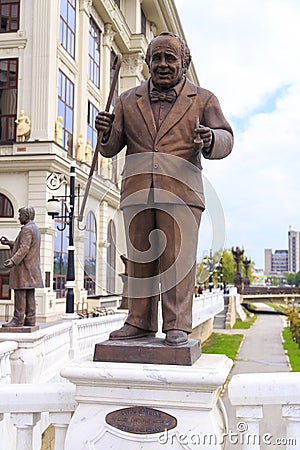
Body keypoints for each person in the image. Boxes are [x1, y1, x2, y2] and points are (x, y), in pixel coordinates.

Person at [95, 32, 233, 346]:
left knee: (177, 260)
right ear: (147, 63)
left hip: (182, 192)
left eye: (170, 58)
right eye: (156, 58)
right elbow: (111, 147)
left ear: (185, 63)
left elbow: (226, 136)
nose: (163, 64)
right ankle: (139, 321)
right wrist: (105, 133)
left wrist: (211, 138)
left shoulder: (203, 99)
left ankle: (177, 325)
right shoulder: (128, 99)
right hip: (138, 189)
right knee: (140, 260)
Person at [1, 207, 43, 327]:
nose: (19, 217)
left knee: (19, 293)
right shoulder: (35, 228)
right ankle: (30, 319)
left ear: (27, 216)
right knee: (30, 294)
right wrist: (10, 243)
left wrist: (13, 261)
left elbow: (24, 248)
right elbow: (24, 245)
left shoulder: (27, 229)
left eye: (21, 215)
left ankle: (18, 320)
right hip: (31, 269)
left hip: (24, 268)